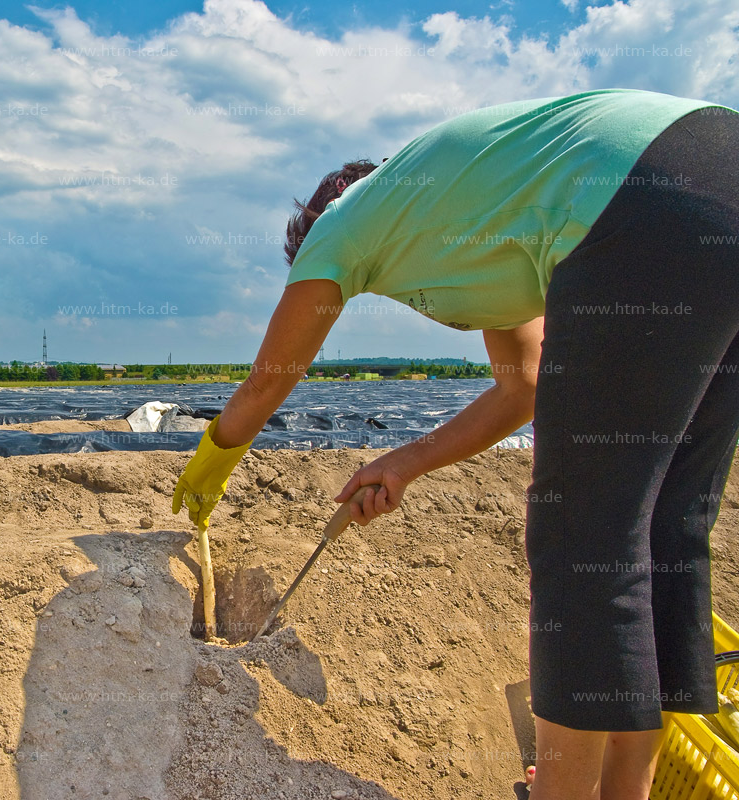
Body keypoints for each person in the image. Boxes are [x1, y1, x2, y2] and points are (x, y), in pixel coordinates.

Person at [172, 88, 739, 800]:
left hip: (647, 197)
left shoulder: (342, 223)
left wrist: (207, 469)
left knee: (586, 532)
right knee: (662, 526)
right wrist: (404, 462)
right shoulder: (471, 212)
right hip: (719, 167)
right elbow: (524, 385)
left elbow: (266, 383)